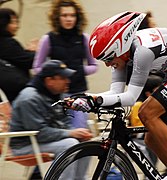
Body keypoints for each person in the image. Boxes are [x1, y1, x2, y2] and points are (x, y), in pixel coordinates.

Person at [71, 11, 167, 179]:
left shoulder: (142, 51)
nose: (108, 64)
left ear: (120, 47)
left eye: (109, 58)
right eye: (103, 60)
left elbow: (130, 98)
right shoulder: (123, 56)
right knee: (150, 139)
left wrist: (93, 101)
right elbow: (115, 93)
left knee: (147, 113)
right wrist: (86, 98)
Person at [9, 60, 93, 180]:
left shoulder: (57, 95)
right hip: (25, 145)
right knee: (70, 145)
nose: (68, 81)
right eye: (63, 78)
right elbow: (39, 133)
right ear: (49, 81)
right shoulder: (29, 99)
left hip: (45, 141)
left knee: (86, 144)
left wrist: (77, 133)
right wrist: (70, 133)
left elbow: (65, 122)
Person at [33, 0, 98, 129]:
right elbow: (37, 68)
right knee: (63, 131)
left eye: (72, 15)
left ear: (77, 17)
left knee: (80, 129)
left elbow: (94, 66)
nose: (69, 19)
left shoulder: (84, 38)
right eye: (64, 15)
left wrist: (80, 70)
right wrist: (52, 75)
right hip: (57, 95)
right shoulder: (48, 39)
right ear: (58, 17)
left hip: (79, 92)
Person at [0, 8, 38, 103]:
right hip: (16, 93)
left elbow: (17, 57)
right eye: (13, 22)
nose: (17, 26)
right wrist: (35, 51)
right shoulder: (7, 42)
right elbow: (27, 61)